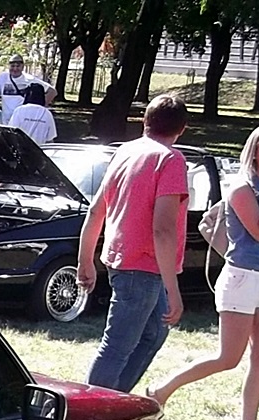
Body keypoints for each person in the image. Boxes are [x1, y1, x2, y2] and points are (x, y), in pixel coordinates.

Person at [146, 125, 259, 420]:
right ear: (255, 151)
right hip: (243, 278)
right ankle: (162, 390)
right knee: (227, 358)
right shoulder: (242, 188)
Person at [77, 94, 190, 394]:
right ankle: (93, 412)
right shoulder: (171, 159)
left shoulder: (126, 151)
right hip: (142, 266)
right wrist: (174, 290)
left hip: (125, 262)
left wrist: (85, 258)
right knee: (117, 346)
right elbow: (164, 230)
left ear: (145, 121)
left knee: (153, 334)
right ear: (182, 129)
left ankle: (117, 400)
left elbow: (96, 209)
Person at [0, 54, 46, 122]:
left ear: (22, 67)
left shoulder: (29, 79)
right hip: (7, 122)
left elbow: (52, 91)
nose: (15, 69)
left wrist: (41, 107)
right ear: (9, 66)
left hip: (23, 121)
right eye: (13, 66)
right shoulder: (2, 78)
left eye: (18, 66)